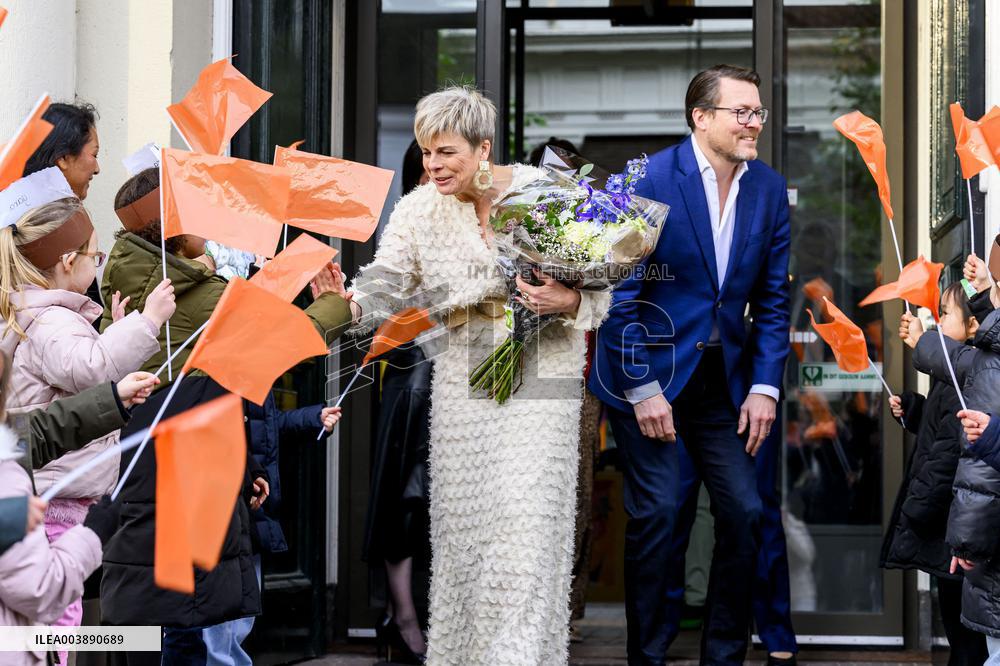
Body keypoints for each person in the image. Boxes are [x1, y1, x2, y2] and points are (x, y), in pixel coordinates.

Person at [348, 86, 610, 665]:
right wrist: (349, 302)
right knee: (466, 546)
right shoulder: (418, 209)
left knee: (525, 535)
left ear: (483, 148)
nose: (433, 165)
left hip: (542, 392)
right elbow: (386, 282)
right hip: (463, 396)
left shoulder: (546, 193)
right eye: (426, 152)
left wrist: (568, 300)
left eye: (447, 153)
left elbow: (602, 294)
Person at [99, 167, 354, 665]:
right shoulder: (195, 292)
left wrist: (248, 468)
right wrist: (334, 306)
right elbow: (278, 344)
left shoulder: (131, 274)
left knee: (159, 610)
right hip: (191, 472)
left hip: (145, 467)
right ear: (174, 229)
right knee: (189, 617)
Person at [588, 64, 791, 665]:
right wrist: (643, 389)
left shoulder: (768, 189)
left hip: (725, 386)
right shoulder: (651, 179)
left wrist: (765, 387)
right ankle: (647, 658)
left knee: (745, 513)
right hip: (650, 379)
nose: (754, 123)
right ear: (701, 117)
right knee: (657, 518)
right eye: (741, 112)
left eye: (757, 112)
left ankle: (722, 658)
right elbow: (618, 298)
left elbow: (773, 302)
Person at [0, 194, 174, 652]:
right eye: (95, 257)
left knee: (56, 622)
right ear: (66, 261)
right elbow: (91, 367)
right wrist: (147, 322)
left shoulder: (42, 314)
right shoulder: (52, 319)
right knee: (57, 621)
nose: (98, 266)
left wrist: (114, 331)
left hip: (53, 492)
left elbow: (79, 371)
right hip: (58, 499)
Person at [0, 348, 159, 666]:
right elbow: (41, 589)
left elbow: (40, 430)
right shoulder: (7, 480)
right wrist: (91, 536)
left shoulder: (9, 449)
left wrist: (113, 399)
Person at [885, 284, 987, 666]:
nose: (938, 322)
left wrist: (915, 509)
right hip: (951, 526)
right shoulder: (951, 378)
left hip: (954, 526)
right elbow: (937, 426)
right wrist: (913, 409)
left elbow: (946, 454)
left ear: (973, 326)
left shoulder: (968, 379)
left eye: (944, 314)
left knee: (964, 635)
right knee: (957, 626)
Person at [365, 137, 433, 664]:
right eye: (426, 167)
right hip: (414, 378)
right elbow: (381, 298)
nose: (438, 174)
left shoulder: (484, 221)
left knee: (439, 506)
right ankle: (403, 618)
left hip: (462, 379)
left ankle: (421, 618)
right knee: (405, 500)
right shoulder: (406, 227)